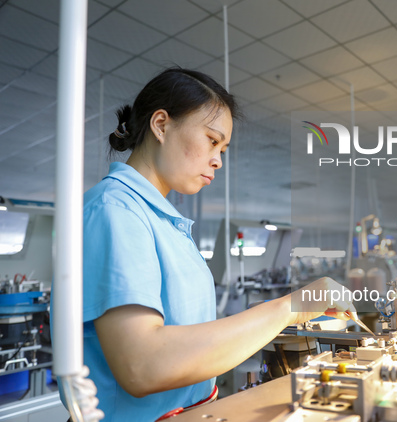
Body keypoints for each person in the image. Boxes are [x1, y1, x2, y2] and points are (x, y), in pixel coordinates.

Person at [66, 67, 356, 421]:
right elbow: (142, 365)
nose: (218, 159)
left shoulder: (162, 220)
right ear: (161, 125)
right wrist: (290, 308)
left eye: (224, 148)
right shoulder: (115, 210)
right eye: (211, 140)